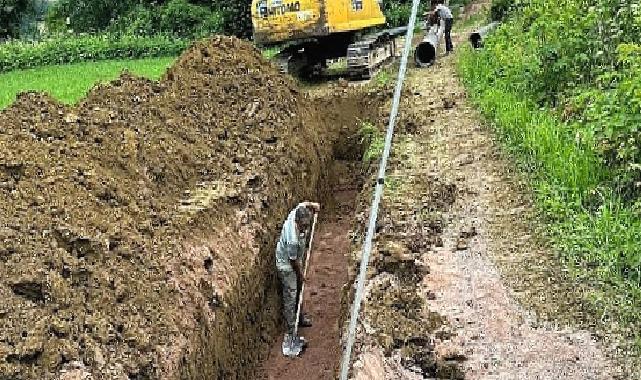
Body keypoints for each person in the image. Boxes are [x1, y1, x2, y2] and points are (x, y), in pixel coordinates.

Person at [276, 201, 320, 356]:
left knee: (299, 291)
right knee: (291, 294)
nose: (305, 229)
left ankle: (300, 317)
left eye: (307, 225)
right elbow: (293, 262)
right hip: (286, 266)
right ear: (296, 222)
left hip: (295, 261)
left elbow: (304, 204)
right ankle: (290, 330)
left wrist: (313, 205)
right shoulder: (293, 239)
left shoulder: (296, 211)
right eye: (303, 226)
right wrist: (301, 276)